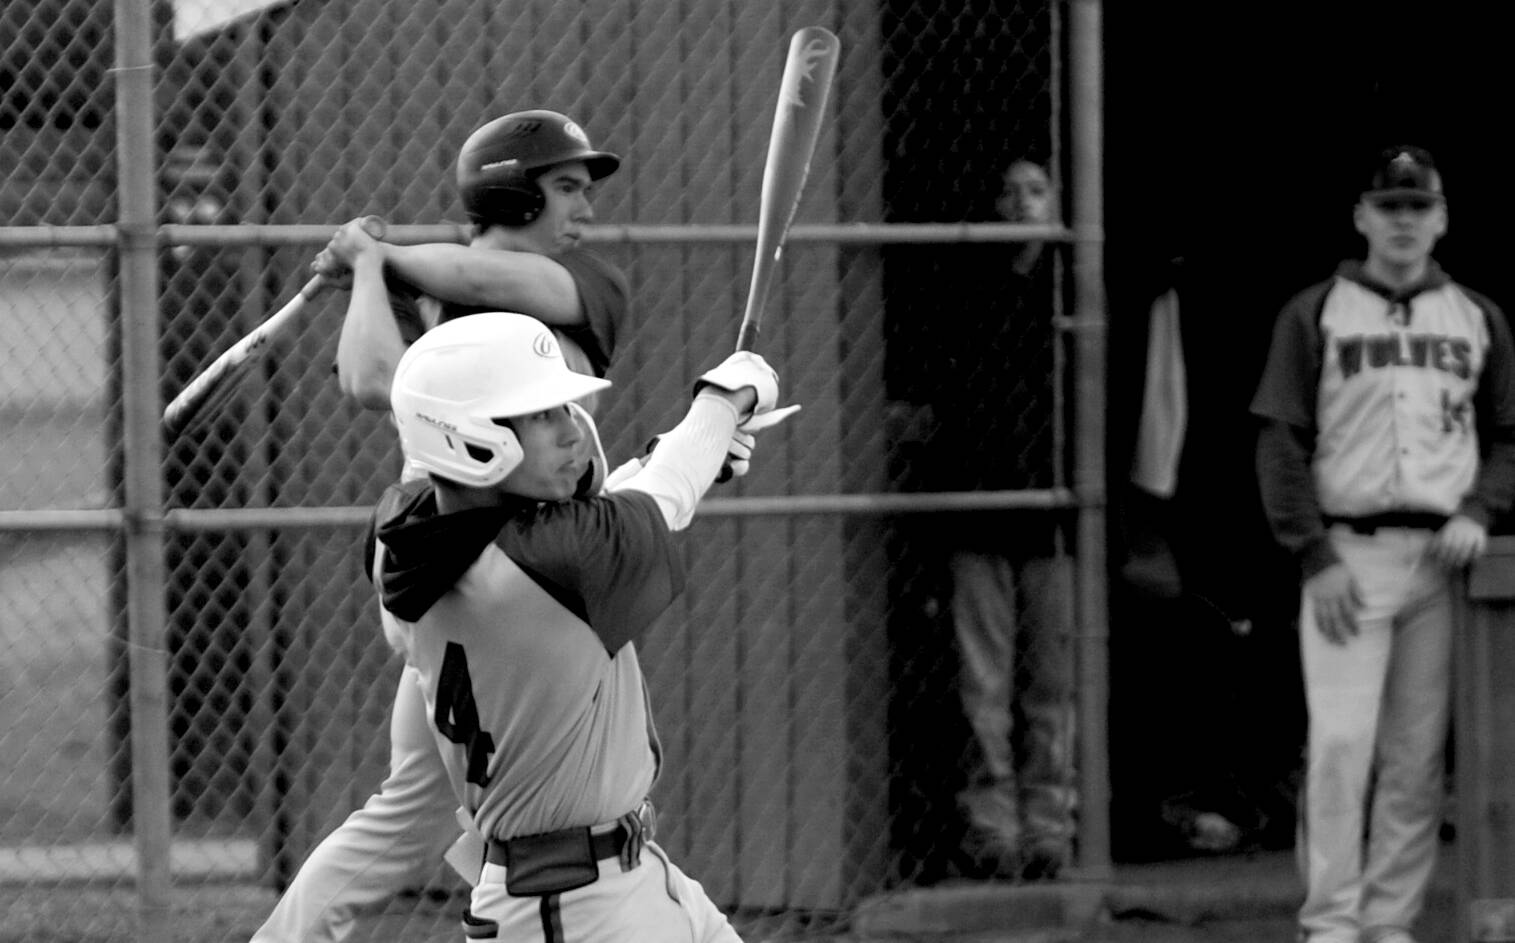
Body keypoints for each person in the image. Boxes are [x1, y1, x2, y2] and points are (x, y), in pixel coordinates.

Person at [250, 109, 631, 943]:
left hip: (454, 578)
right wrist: (369, 271)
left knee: (410, 811)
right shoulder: (436, 303)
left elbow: (489, 279)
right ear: (511, 190)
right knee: (570, 797)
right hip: (492, 576)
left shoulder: (583, 289)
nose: (587, 211)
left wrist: (374, 256)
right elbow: (369, 381)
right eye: (566, 188)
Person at [372, 311, 785, 940]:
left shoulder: (409, 544)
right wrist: (726, 398)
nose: (570, 433)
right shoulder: (546, 564)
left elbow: (592, 520)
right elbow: (654, 500)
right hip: (574, 908)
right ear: (467, 436)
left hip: (611, 880)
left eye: (563, 409)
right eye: (541, 416)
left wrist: (675, 458)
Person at [1251, 144, 1515, 943]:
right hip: (1348, 557)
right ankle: (1330, 922)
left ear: (1441, 219)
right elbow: (1280, 439)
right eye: (1388, 207)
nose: (1403, 221)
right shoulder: (1317, 309)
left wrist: (1479, 506)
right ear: (1361, 216)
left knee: (1413, 756)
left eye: (1417, 207)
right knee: (1338, 746)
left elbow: (1507, 434)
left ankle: (1388, 921)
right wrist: (1312, 554)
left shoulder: (1475, 316)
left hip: (1442, 560)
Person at [915, 158, 1078, 880]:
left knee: (1054, 680)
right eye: (1006, 190)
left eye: (1034, 191)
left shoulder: (1074, 294)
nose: (1019, 203)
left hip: (1055, 514)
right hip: (978, 506)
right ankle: (993, 828)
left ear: (1055, 205)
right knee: (983, 684)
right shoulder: (963, 293)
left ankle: (1050, 826)